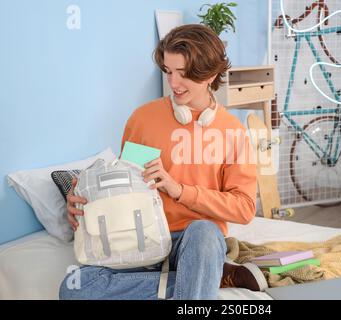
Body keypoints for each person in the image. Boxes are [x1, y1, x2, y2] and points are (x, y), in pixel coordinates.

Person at [59, 24, 268, 300]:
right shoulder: (143, 119)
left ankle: (200, 275)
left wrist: (179, 190)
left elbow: (244, 208)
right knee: (75, 288)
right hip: (141, 238)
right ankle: (207, 278)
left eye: (184, 74)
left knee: (204, 231)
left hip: (195, 244)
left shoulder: (233, 132)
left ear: (211, 75)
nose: (173, 83)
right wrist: (83, 201)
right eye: (169, 71)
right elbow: (127, 187)